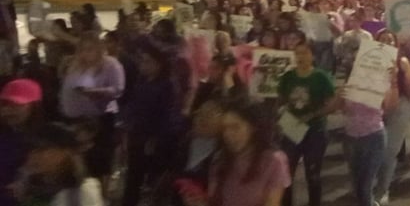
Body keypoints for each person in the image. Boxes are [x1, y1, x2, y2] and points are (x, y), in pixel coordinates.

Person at [58, 33, 124, 193]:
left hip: (99, 119)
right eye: (82, 49)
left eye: (90, 49)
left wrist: (95, 92)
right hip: (75, 119)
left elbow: (118, 89)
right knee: (79, 160)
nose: (85, 53)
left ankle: (102, 195)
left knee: (99, 162)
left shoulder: (111, 64)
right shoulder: (75, 63)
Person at [193, 102, 291, 206]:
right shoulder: (220, 159)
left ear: (253, 127)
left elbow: (272, 203)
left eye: (235, 127)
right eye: (224, 128)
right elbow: (215, 200)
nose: (228, 134)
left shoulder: (274, 160)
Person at [122, 43, 184, 206]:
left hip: (155, 141)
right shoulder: (142, 80)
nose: (144, 65)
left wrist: (155, 139)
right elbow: (133, 105)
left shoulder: (168, 85)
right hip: (137, 135)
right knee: (133, 177)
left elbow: (168, 115)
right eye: (142, 61)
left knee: (154, 181)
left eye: (148, 62)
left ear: (159, 64)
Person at [277, 43, 337, 206]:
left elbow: (332, 104)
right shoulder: (288, 77)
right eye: (297, 53)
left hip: (315, 131)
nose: (301, 57)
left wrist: (312, 115)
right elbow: (280, 100)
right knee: (286, 174)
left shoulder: (321, 78)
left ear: (312, 56)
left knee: (313, 174)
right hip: (291, 130)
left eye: (304, 53)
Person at [374, 32, 410, 206]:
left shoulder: (402, 62)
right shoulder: (371, 62)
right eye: (383, 40)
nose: (387, 42)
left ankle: (382, 190)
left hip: (400, 108)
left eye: (390, 40)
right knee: (374, 150)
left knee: (389, 151)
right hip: (376, 108)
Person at [340, 62, 399, 206]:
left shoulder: (377, 86)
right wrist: (340, 95)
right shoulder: (349, 87)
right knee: (357, 185)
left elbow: (390, 106)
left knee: (365, 185)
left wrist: (393, 83)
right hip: (351, 139)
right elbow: (341, 108)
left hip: (373, 136)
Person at [15, 122, 104, 206]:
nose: (33, 156)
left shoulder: (81, 193)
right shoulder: (31, 186)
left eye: (41, 150)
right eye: (31, 150)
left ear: (64, 152)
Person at [0, 79, 44, 206]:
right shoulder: (5, 134)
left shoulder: (44, 140)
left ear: (34, 107)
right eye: (4, 105)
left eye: (16, 105)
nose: (9, 110)